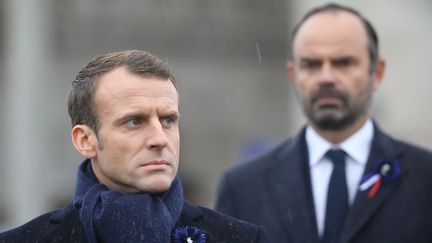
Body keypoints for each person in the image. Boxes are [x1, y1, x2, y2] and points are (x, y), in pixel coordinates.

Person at [215, 3, 432, 243]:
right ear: (293, 75)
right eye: (311, 64)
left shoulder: (425, 178)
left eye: (344, 63)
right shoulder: (244, 187)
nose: (326, 78)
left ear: (376, 72)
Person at [0, 50, 268, 243]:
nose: (159, 138)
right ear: (85, 140)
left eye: (168, 120)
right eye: (134, 122)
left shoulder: (240, 238)